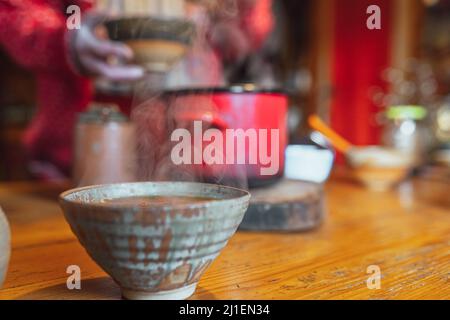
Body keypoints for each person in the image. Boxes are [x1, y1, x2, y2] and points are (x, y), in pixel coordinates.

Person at [0, 0, 273, 180]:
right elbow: (14, 10)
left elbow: (250, 30)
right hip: (75, 165)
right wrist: (65, 38)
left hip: (192, 156)